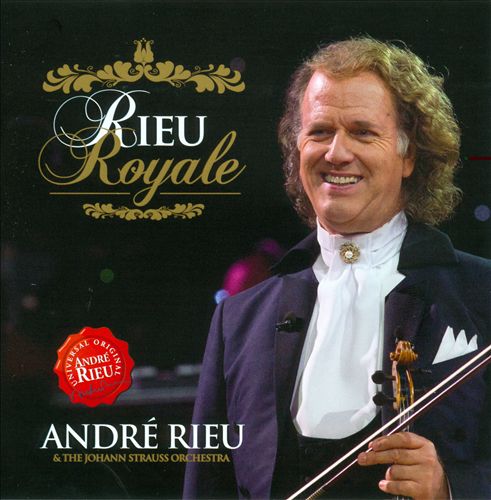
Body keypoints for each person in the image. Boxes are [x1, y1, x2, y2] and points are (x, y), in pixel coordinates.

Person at [183, 37, 490, 499]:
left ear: (409, 155)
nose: (336, 153)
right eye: (320, 131)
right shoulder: (239, 320)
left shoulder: (482, 293)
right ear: (297, 148)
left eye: (363, 132)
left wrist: (452, 487)